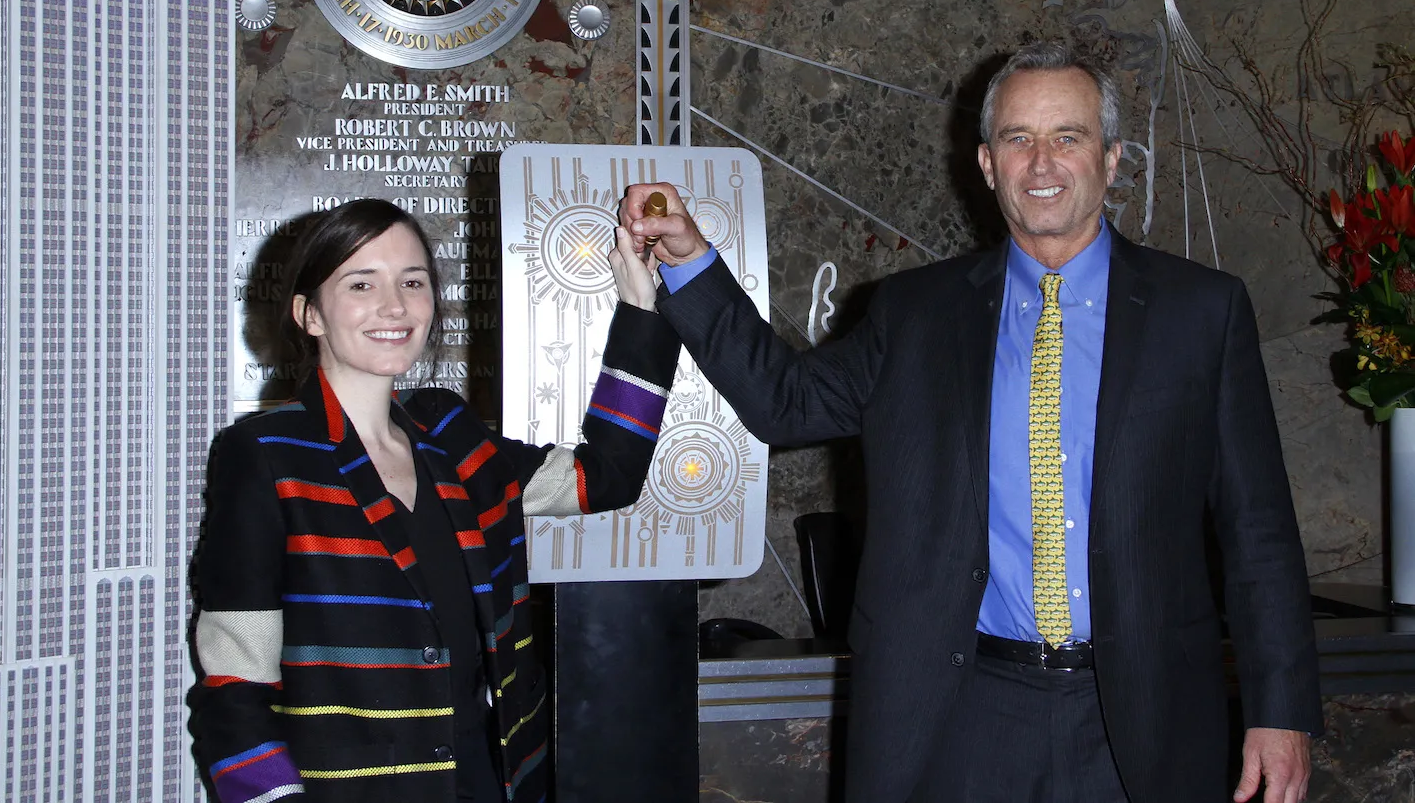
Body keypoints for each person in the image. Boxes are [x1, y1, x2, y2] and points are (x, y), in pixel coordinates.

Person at [621, 41, 1321, 803]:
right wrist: (688, 261)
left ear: (1113, 159)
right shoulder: (915, 314)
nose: (1043, 162)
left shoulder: (1202, 313)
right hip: (964, 713)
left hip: (1143, 715)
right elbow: (782, 400)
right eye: (1019, 139)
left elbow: (1261, 532)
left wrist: (1280, 711)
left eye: (1069, 137)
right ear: (987, 164)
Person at [187, 198, 677, 803]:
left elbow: (605, 476)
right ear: (310, 314)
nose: (394, 306)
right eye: (361, 283)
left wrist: (641, 307)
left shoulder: (450, 437)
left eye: (412, 282)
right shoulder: (264, 454)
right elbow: (236, 690)